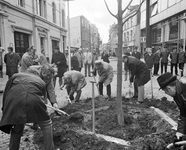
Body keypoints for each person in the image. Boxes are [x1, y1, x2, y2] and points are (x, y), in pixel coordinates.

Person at [0, 64, 59, 150]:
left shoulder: (15, 76)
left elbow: (6, 92)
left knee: (18, 126)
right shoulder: (41, 80)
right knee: (46, 124)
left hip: (15, 101)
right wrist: (43, 109)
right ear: (43, 73)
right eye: (48, 78)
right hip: (33, 100)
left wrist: (54, 102)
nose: (48, 80)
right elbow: (42, 97)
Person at [157, 72, 186, 147]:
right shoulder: (178, 95)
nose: (166, 94)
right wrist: (179, 134)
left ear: (169, 88)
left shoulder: (184, 90)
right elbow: (184, 114)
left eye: (165, 91)